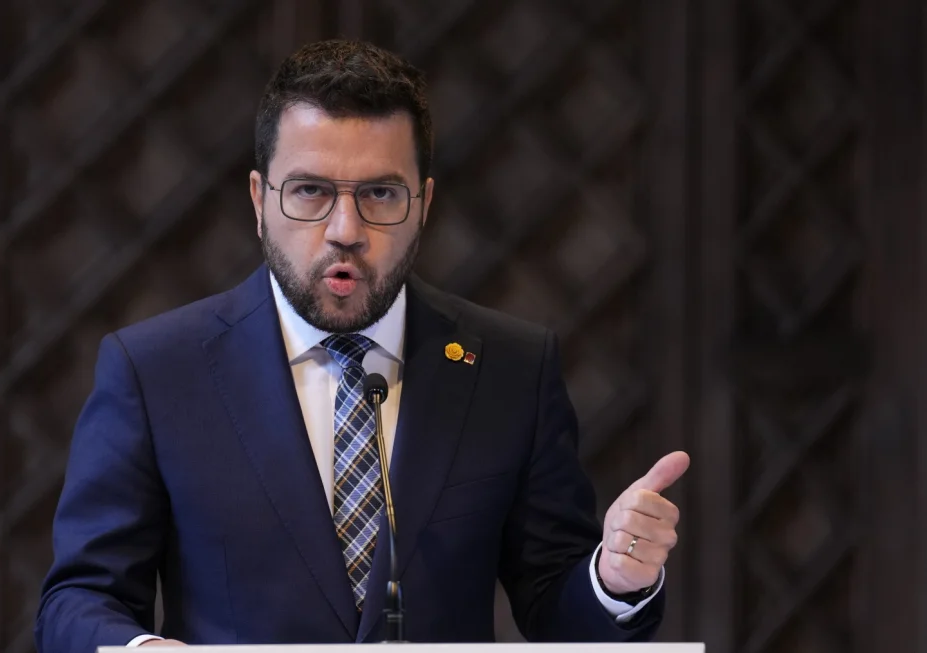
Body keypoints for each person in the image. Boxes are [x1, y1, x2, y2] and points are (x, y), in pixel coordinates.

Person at [34, 39, 689, 650]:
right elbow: (79, 595)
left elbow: (552, 607)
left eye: (379, 193)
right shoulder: (156, 370)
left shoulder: (511, 368)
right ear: (260, 199)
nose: (344, 229)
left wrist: (613, 577)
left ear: (423, 203)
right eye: (310, 191)